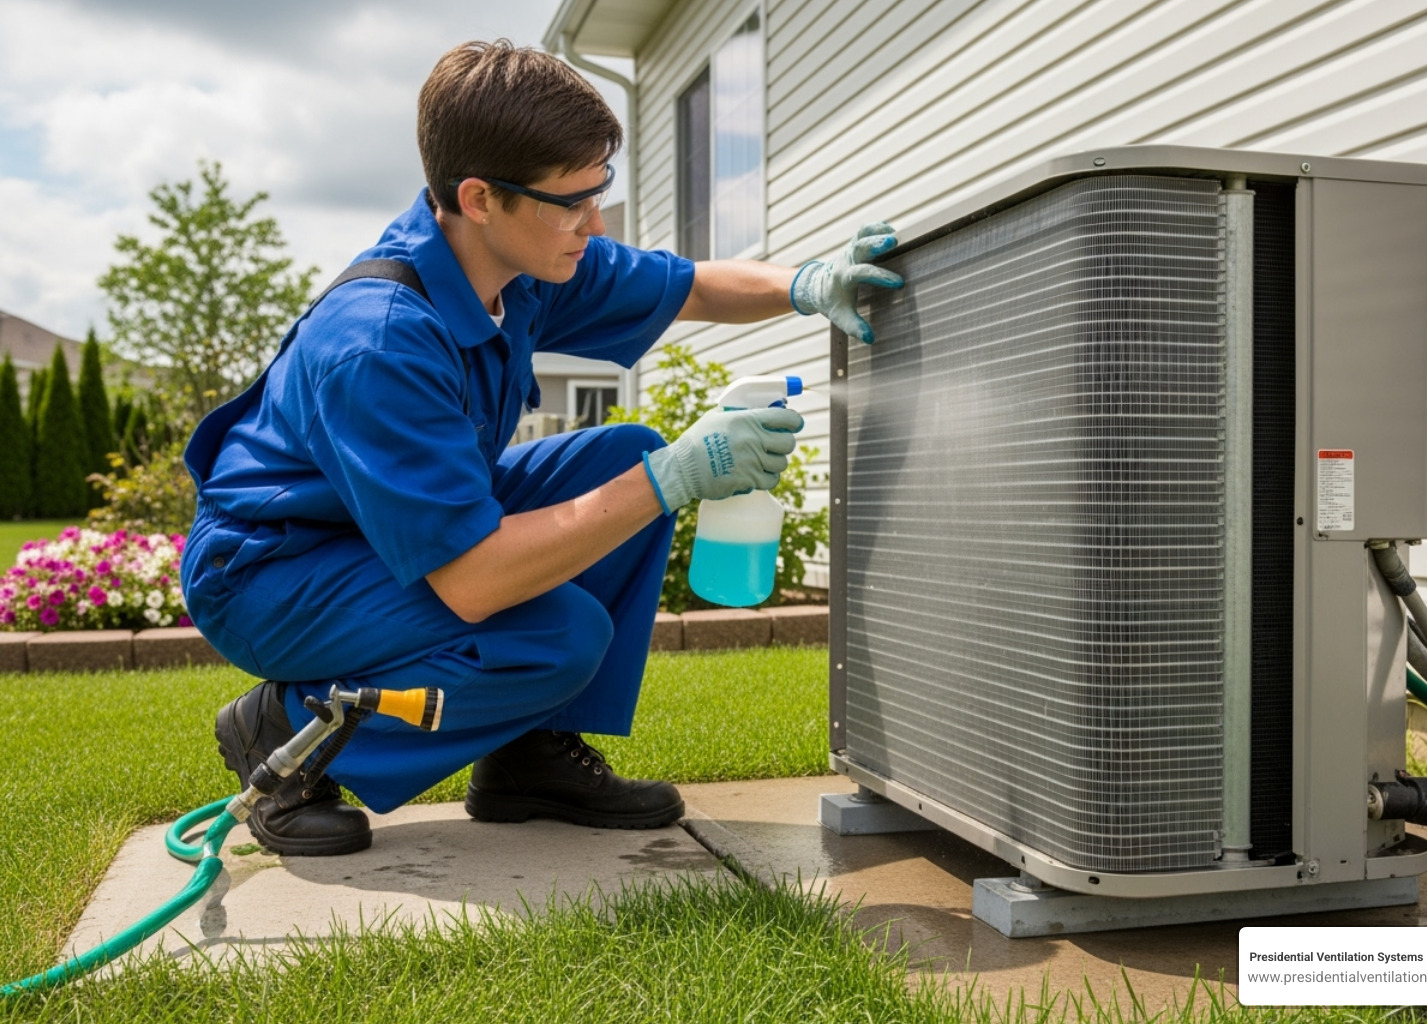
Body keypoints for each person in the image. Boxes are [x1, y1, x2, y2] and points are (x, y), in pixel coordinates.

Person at [182, 40, 903, 856]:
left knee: (618, 452)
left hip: (366, 538)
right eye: (573, 202)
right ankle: (285, 733)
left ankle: (527, 759)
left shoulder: (519, 264)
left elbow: (691, 285)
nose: (595, 222)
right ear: (480, 197)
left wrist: (808, 283)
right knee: (558, 633)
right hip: (273, 574)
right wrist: (677, 477)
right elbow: (477, 581)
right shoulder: (378, 343)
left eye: (599, 192)